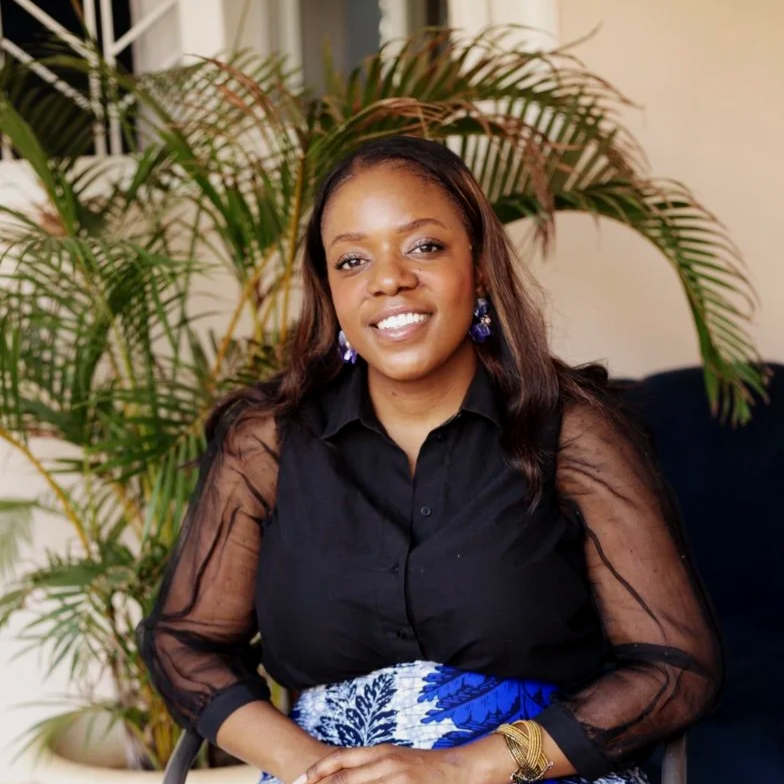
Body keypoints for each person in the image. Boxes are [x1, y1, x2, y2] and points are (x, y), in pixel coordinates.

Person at [138, 136, 723, 784]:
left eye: (423, 246)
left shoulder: (574, 433)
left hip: (528, 772)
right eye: (353, 260)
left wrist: (462, 768)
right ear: (330, 291)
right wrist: (317, 770)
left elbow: (676, 669)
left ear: (480, 266)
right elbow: (182, 645)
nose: (388, 279)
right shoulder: (266, 446)